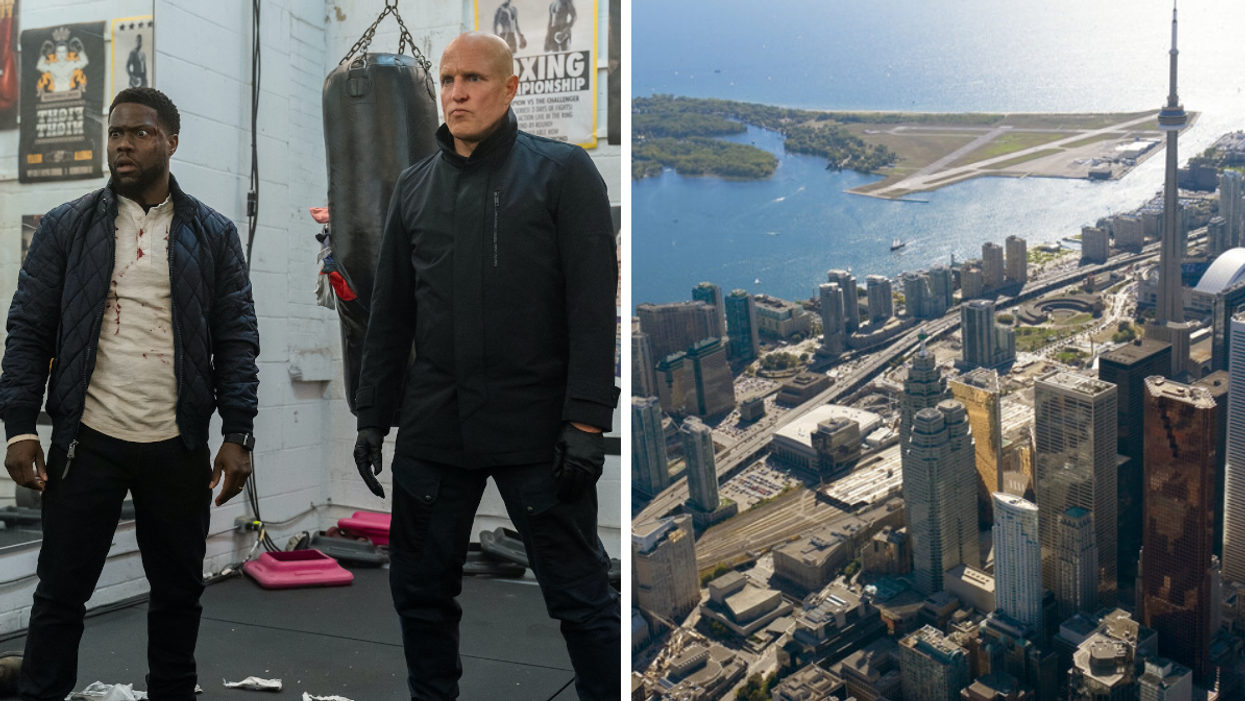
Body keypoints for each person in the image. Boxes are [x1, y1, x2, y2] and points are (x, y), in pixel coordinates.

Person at [351, 31, 619, 701]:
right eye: (446, 80)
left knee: (578, 592)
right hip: (435, 427)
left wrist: (587, 421)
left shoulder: (562, 172)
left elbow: (592, 307)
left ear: (509, 88)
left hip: (535, 427)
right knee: (419, 589)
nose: (457, 92)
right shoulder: (413, 187)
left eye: (472, 78)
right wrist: (370, 418)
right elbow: (390, 318)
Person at [0, 87, 260, 701]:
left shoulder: (214, 234)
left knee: (177, 594)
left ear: (171, 141)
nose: (122, 143)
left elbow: (239, 337)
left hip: (178, 441)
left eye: (140, 133)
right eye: (115, 132)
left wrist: (239, 432)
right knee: (61, 591)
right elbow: (28, 329)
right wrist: (17, 425)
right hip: (87, 441)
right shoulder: (66, 227)